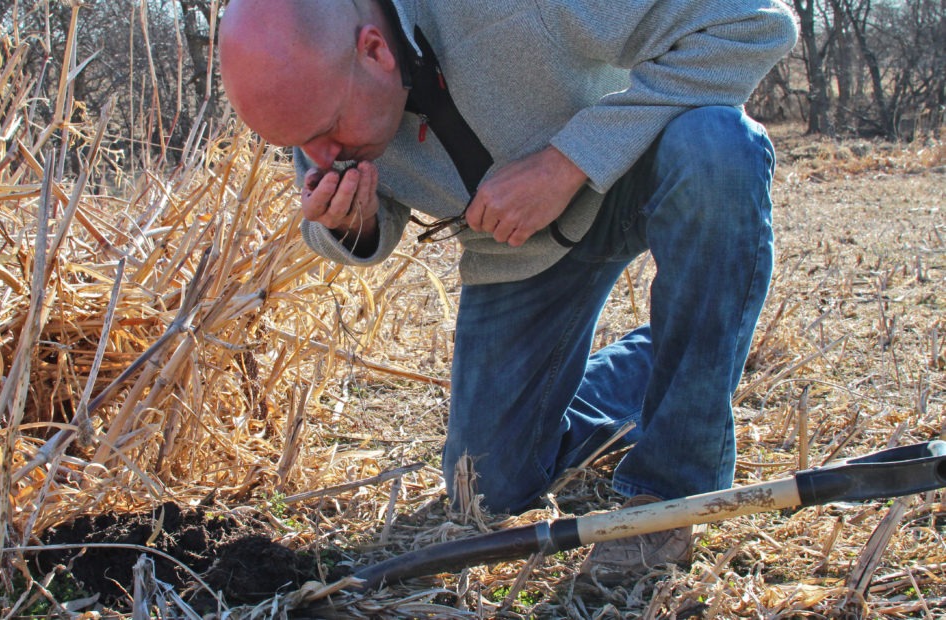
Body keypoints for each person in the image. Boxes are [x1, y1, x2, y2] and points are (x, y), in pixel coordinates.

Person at [219, 0, 798, 584]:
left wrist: (565, 162)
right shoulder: (321, 92)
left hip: (634, 177)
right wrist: (349, 222)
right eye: (294, 146)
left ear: (374, 50)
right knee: (489, 489)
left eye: (321, 135)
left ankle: (668, 497)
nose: (316, 158)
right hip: (515, 250)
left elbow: (755, 25)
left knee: (720, 142)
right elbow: (360, 225)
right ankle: (677, 353)